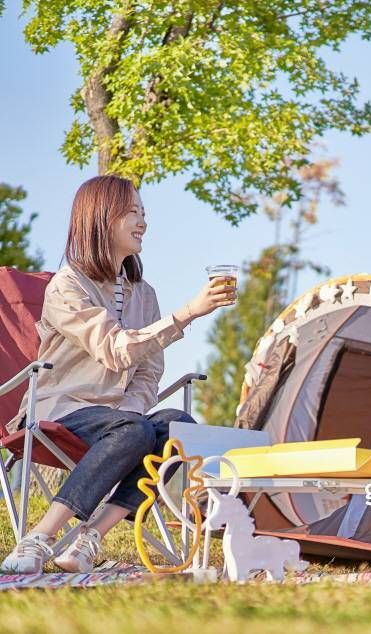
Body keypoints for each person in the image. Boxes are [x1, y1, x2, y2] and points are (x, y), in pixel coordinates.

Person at [1, 175, 235, 574]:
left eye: (143, 213)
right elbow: (115, 350)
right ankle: (40, 536)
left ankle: (90, 537)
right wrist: (188, 313)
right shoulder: (68, 286)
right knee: (135, 431)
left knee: (177, 425)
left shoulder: (144, 293)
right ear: (101, 218)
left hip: (118, 421)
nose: (142, 221)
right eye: (132, 213)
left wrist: (131, 408)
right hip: (61, 412)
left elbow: (148, 372)